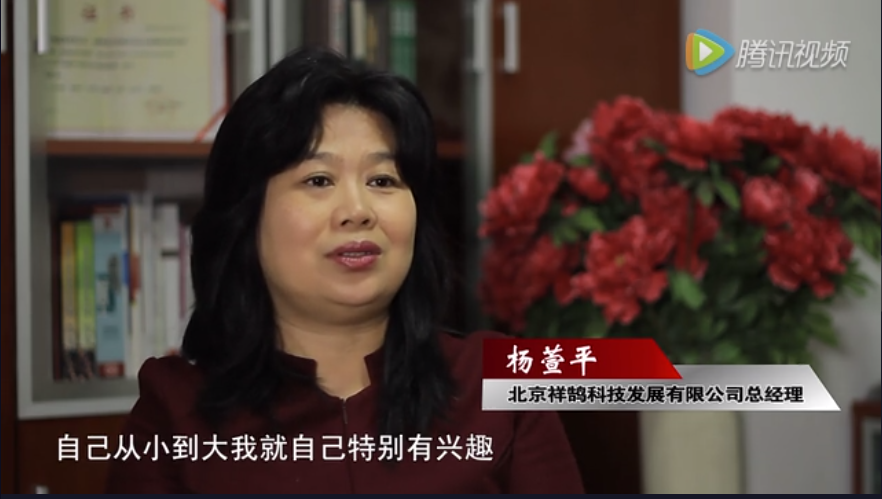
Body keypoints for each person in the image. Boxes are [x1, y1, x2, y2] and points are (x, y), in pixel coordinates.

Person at [105, 46, 584, 494]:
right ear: (246, 217)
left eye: (383, 180)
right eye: (318, 180)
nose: (357, 211)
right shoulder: (174, 410)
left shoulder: (502, 382)